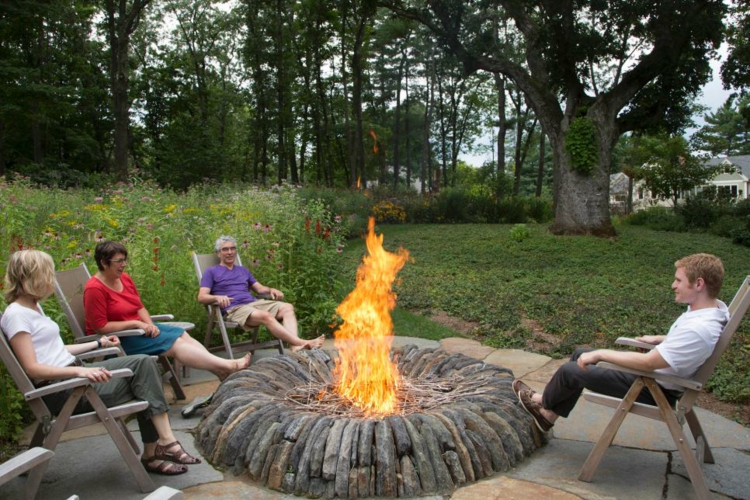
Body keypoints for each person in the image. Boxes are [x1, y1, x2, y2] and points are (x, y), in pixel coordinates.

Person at [1, 250, 199, 476]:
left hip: (73, 376)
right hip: (65, 392)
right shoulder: (17, 315)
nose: (52, 280)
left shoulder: (33, 308)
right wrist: (81, 372)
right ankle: (155, 453)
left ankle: (165, 443)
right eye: (49, 273)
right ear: (34, 276)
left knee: (144, 364)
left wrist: (98, 344)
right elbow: (32, 368)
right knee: (145, 381)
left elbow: (55, 350)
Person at [513, 253, 729, 432]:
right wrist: (663, 339)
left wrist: (601, 354)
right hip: (657, 379)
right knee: (580, 354)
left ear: (699, 283)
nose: (673, 285)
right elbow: (688, 343)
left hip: (652, 388)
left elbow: (649, 363)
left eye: (679, 280)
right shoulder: (712, 311)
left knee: (570, 371)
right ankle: (548, 415)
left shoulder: (698, 328)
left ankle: (543, 403)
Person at [84, 241, 250, 381]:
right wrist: (136, 324)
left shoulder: (124, 278)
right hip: (118, 340)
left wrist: (149, 325)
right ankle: (230, 365)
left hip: (138, 330)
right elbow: (100, 328)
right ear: (104, 263)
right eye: (119, 261)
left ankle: (220, 371)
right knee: (176, 344)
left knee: (182, 334)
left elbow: (139, 306)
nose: (124, 265)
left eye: (124, 260)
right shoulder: (94, 289)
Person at [197, 235, 325, 352]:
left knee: (287, 307)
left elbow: (260, 289)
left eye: (232, 249)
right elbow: (202, 297)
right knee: (266, 316)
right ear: (218, 253)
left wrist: (271, 290)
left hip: (254, 304)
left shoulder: (243, 270)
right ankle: (301, 342)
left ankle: (295, 347)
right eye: (225, 249)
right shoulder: (211, 272)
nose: (229, 252)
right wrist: (216, 297)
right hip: (235, 308)